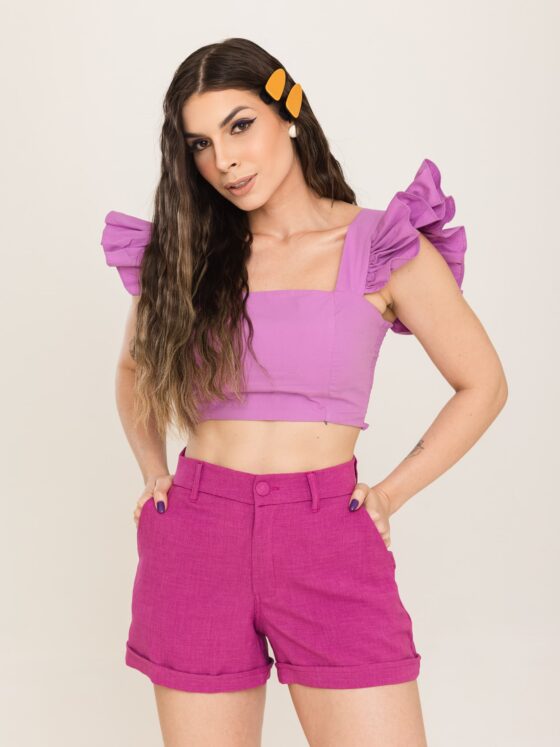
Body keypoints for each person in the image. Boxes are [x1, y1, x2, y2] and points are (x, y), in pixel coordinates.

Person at [100, 37, 508, 747]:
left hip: (327, 535)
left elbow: (484, 383)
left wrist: (388, 494)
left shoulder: (381, 245)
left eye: (239, 126)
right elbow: (134, 370)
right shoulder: (187, 252)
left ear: (288, 113)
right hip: (197, 535)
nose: (224, 160)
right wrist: (152, 468)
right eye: (201, 144)